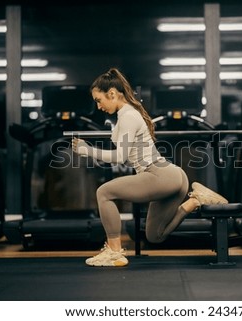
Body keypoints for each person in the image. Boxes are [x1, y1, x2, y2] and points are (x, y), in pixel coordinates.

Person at [72, 67, 228, 267]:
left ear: (111, 93)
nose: (99, 106)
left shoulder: (128, 116)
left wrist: (87, 150)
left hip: (159, 175)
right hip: (170, 176)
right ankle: (194, 201)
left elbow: (120, 157)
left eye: (99, 100)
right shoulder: (127, 115)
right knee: (155, 235)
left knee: (104, 192)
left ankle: (113, 252)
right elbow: (129, 157)